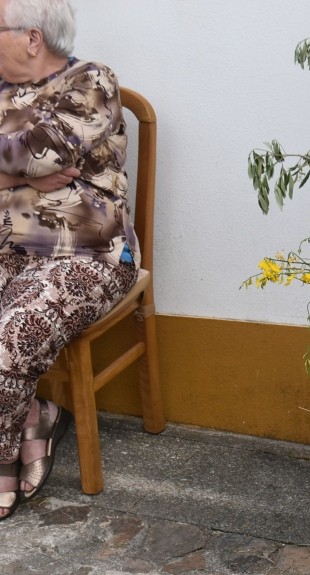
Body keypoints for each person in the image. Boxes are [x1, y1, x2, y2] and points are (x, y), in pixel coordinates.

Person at [0, 0, 138, 520]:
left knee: (11, 336)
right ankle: (35, 415)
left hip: (86, 252)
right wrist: (18, 175)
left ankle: (2, 459)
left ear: (32, 37)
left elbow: (45, 151)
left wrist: (22, 167)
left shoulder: (91, 81)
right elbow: (31, 160)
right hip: (8, 250)